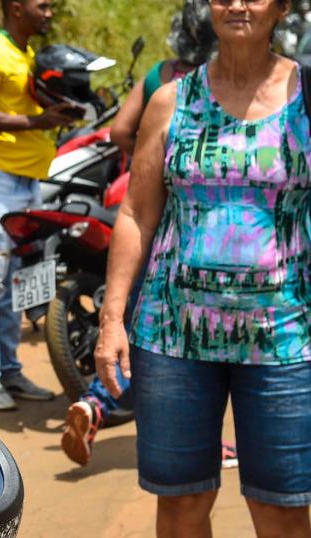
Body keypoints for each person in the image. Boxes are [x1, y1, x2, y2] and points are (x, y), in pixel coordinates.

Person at [96, 0, 311, 535]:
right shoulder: (171, 101)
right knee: (181, 503)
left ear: (282, 8)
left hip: (285, 336)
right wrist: (111, 319)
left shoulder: (307, 98)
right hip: (174, 340)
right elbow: (136, 213)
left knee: (282, 507)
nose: (238, 4)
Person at [61, 0, 225, 467]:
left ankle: (96, 402)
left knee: (143, 317)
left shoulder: (157, 77)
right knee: (198, 340)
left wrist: (149, 154)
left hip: (143, 211)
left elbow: (117, 132)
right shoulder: (215, 87)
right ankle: (201, 434)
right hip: (192, 226)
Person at [0, 0, 75, 410]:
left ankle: (9, 370)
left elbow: (22, 110)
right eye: (42, 6)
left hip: (28, 183)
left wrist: (56, 114)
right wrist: (36, 123)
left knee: (18, 283)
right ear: (16, 7)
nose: (48, 13)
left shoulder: (26, 54)